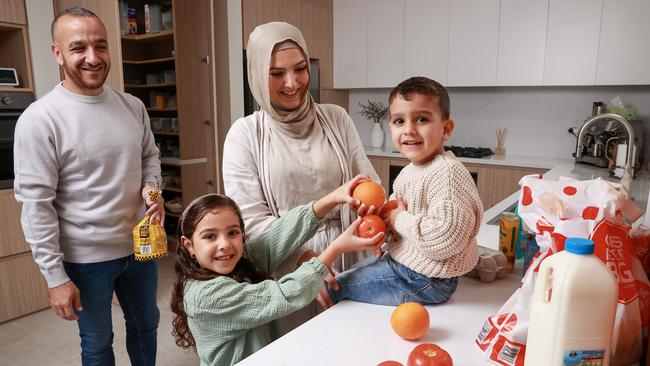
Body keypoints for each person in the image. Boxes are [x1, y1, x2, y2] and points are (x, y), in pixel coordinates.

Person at [13, 7, 163, 365]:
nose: (92, 58)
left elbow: (149, 157)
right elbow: (36, 205)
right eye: (78, 48)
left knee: (146, 325)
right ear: (57, 52)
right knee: (97, 343)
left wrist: (151, 189)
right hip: (85, 259)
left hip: (140, 249)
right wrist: (54, 277)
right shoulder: (40, 119)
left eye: (101, 46)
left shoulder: (133, 106)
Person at [170, 176, 384, 366]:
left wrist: (331, 199)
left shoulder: (241, 262)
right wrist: (335, 248)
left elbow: (277, 237)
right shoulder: (206, 296)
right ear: (189, 245)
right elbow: (285, 293)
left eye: (233, 232)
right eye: (210, 236)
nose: (224, 244)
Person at [222, 21, 379, 276]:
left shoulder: (336, 118)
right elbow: (250, 222)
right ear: (257, 76)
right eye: (276, 74)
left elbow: (368, 184)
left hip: (349, 252)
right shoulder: (245, 135)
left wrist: (379, 210)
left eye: (300, 68)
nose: (292, 83)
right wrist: (307, 261)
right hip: (289, 264)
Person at [328, 76, 483, 306]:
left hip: (426, 279)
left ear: (446, 129)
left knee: (337, 286)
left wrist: (399, 219)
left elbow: (446, 239)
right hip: (408, 266)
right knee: (348, 273)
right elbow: (398, 221)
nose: (409, 130)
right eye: (399, 121)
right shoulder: (409, 172)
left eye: (421, 119)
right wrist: (386, 236)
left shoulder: (447, 174)